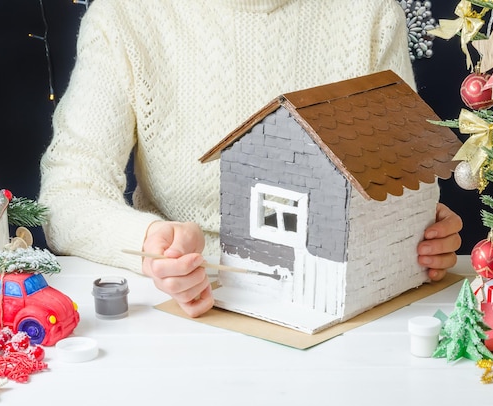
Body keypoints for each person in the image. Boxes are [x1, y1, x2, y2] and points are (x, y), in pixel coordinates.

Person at [39, 0, 463, 318]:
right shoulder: (126, 15)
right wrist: (150, 242)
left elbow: (400, 164)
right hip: (187, 308)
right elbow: (66, 196)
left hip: (339, 302)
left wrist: (416, 230)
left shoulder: (368, 12)